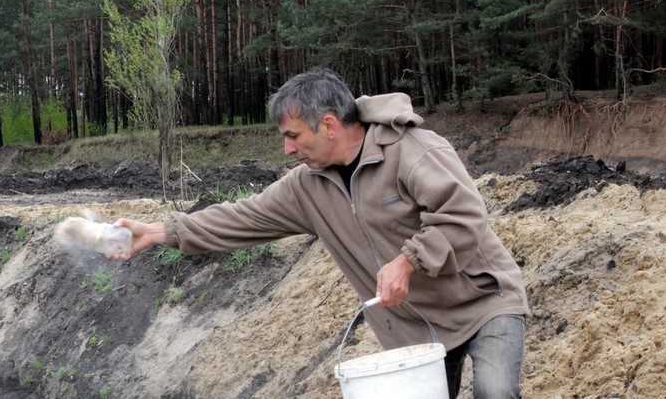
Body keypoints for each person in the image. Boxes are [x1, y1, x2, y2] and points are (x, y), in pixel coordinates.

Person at [114, 68, 529, 398]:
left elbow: (462, 215)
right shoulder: (306, 186)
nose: (287, 149)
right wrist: (159, 231)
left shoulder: (412, 150)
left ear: (328, 125)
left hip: (482, 303)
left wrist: (408, 262)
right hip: (414, 330)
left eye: (293, 136)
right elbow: (243, 217)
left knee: (495, 392)